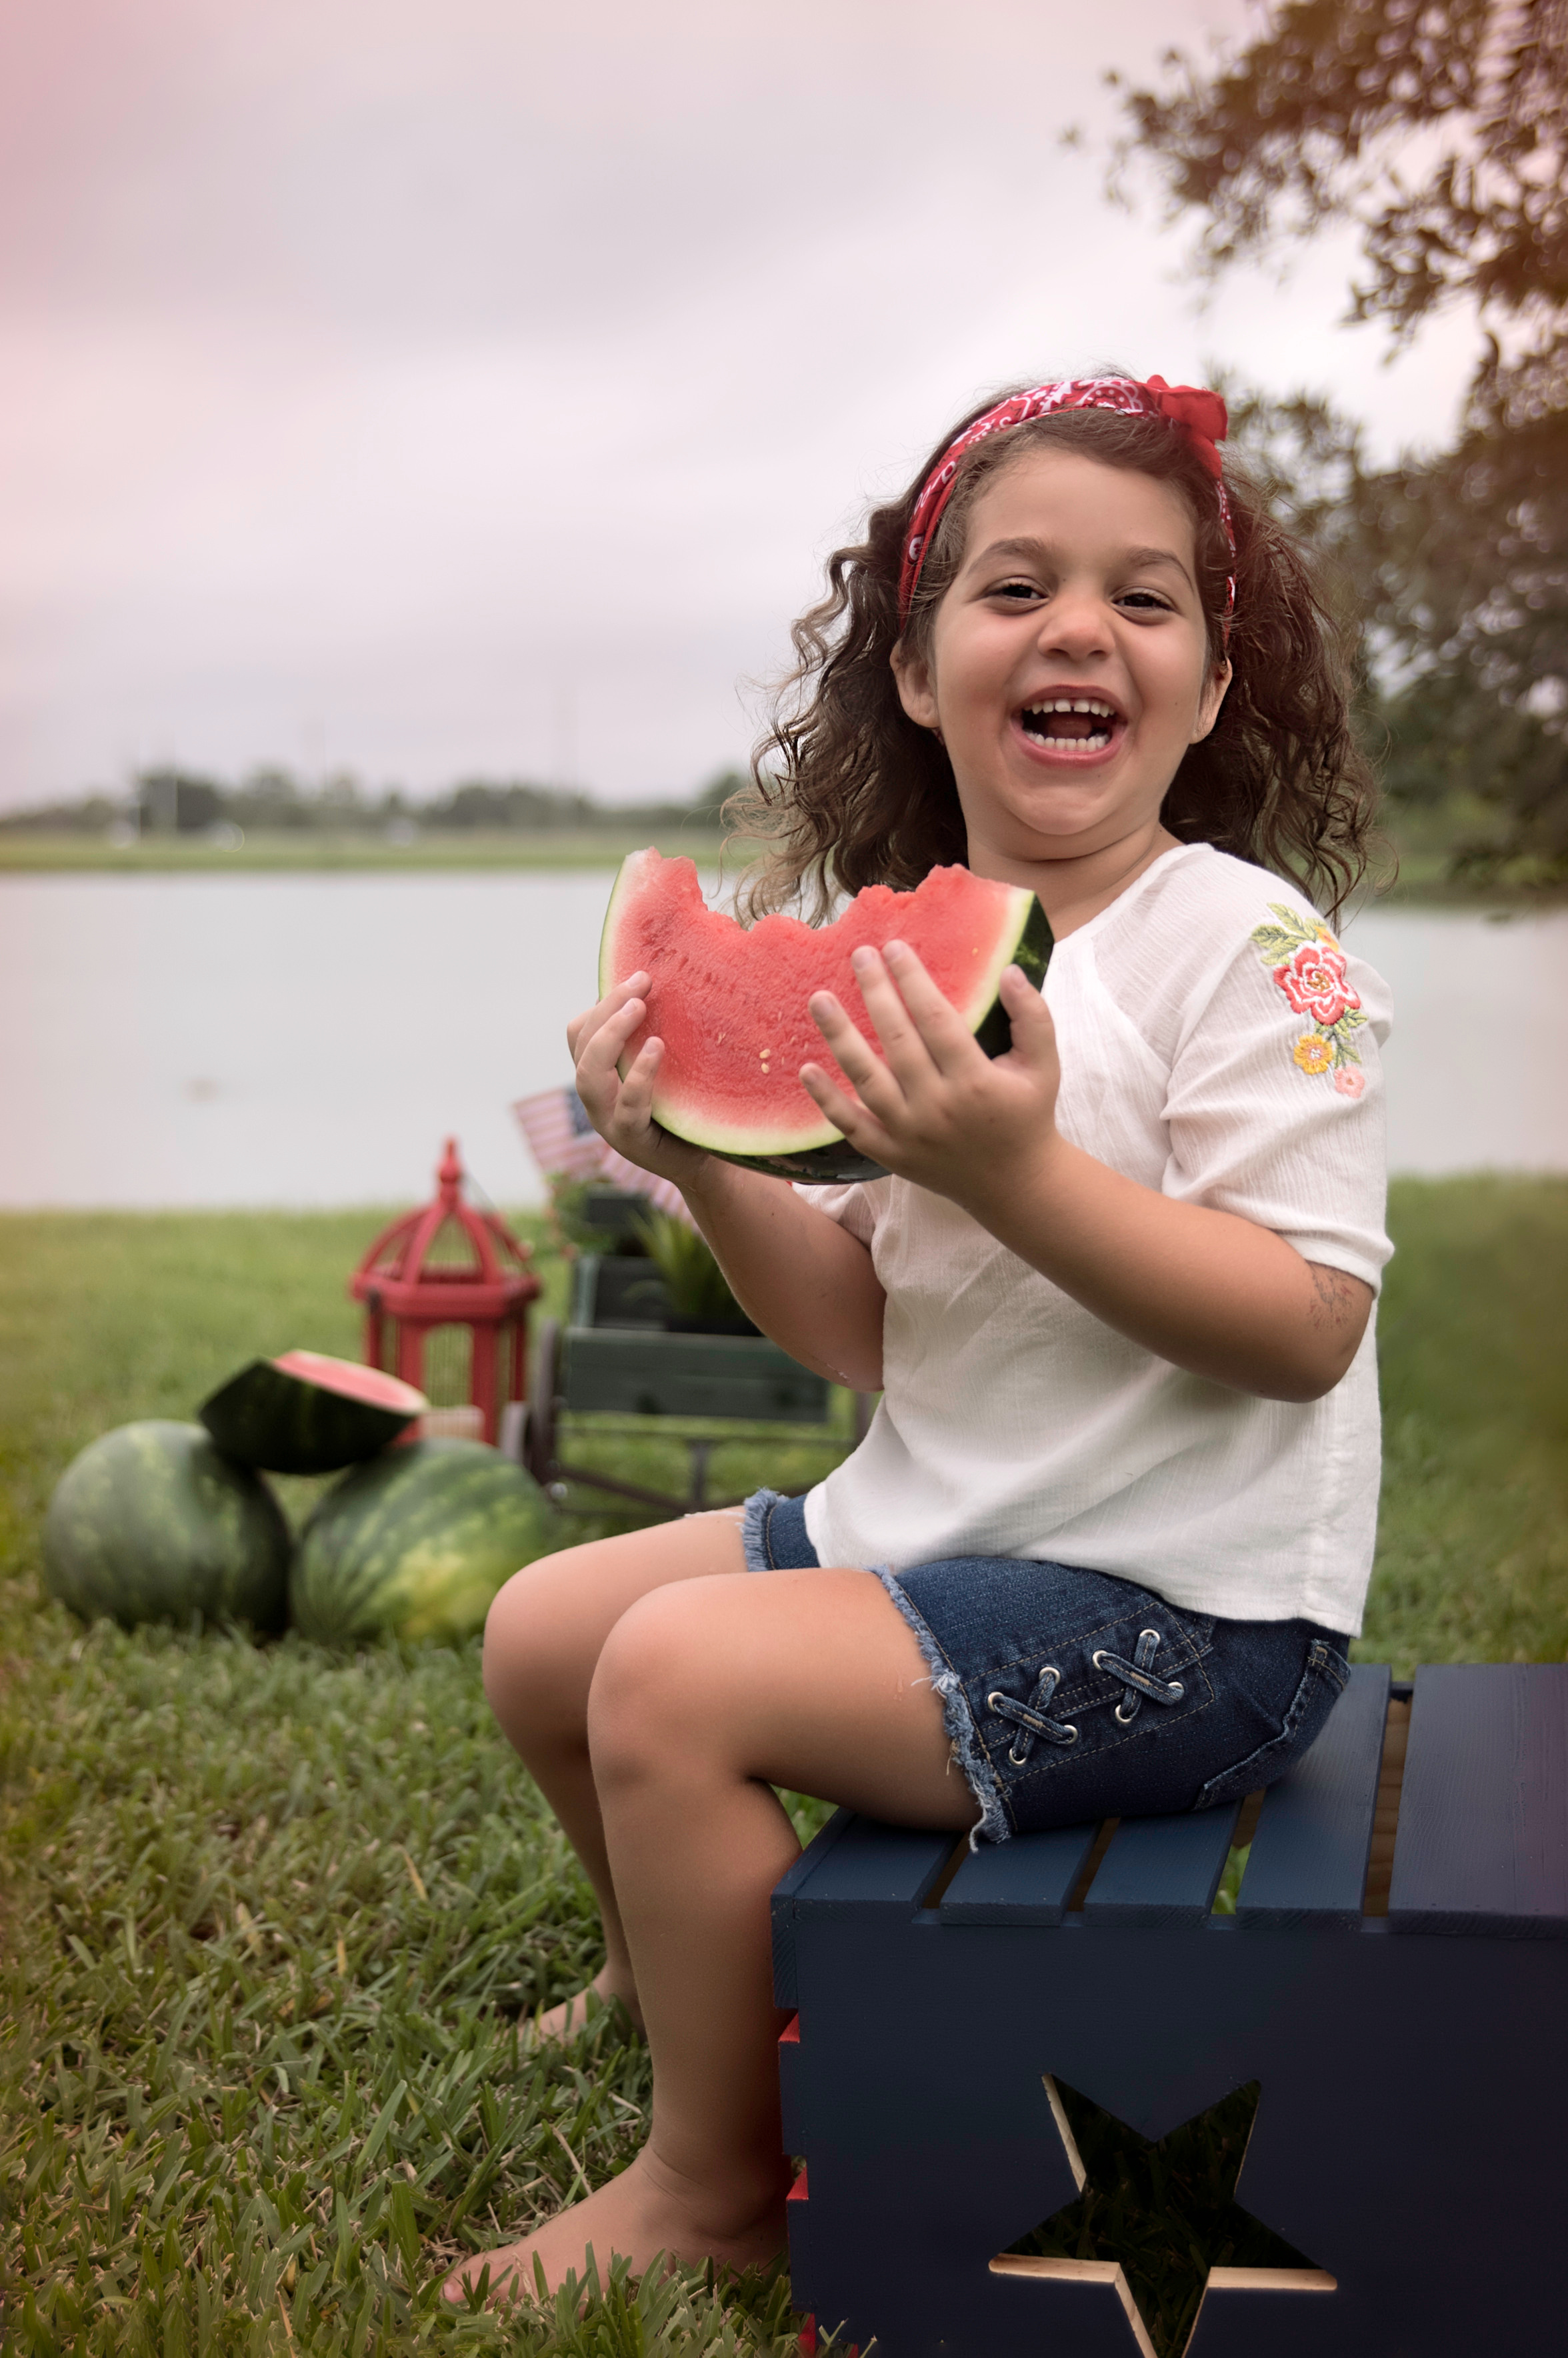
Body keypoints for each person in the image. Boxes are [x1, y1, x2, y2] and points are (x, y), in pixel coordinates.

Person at [443, 373, 1391, 2307]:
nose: (1079, 630)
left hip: (1190, 1620)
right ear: (915, 660)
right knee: (544, 1634)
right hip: (936, 1523)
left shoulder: (1256, 948)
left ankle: (713, 2181)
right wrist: (698, 1157)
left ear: (1211, 688)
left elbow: (1305, 1325)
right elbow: (868, 1330)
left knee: (672, 1680)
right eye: (1016, 585)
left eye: (1147, 599)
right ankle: (666, 1963)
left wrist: (1019, 1167)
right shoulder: (904, 958)